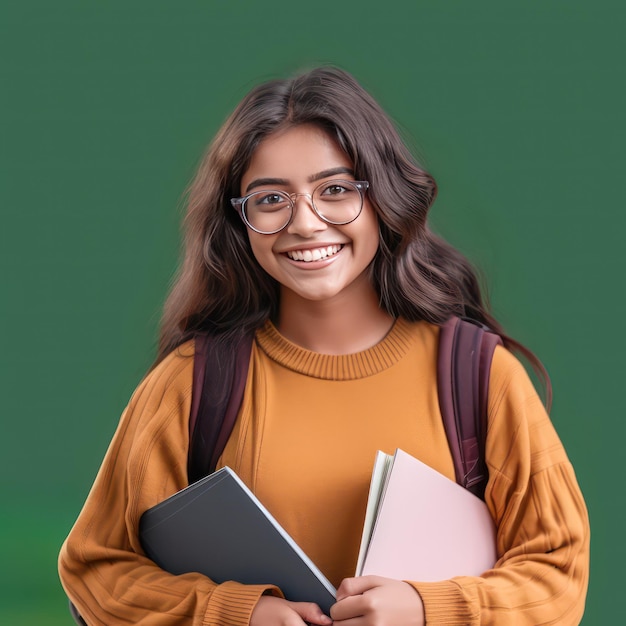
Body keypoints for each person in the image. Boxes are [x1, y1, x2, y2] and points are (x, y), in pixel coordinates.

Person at [58, 65, 590, 625]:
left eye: (334, 190)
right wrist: (237, 615)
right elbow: (97, 568)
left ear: (382, 195)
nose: (306, 224)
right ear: (239, 222)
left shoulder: (479, 376)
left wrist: (427, 610)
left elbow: (559, 574)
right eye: (270, 200)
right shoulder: (190, 383)